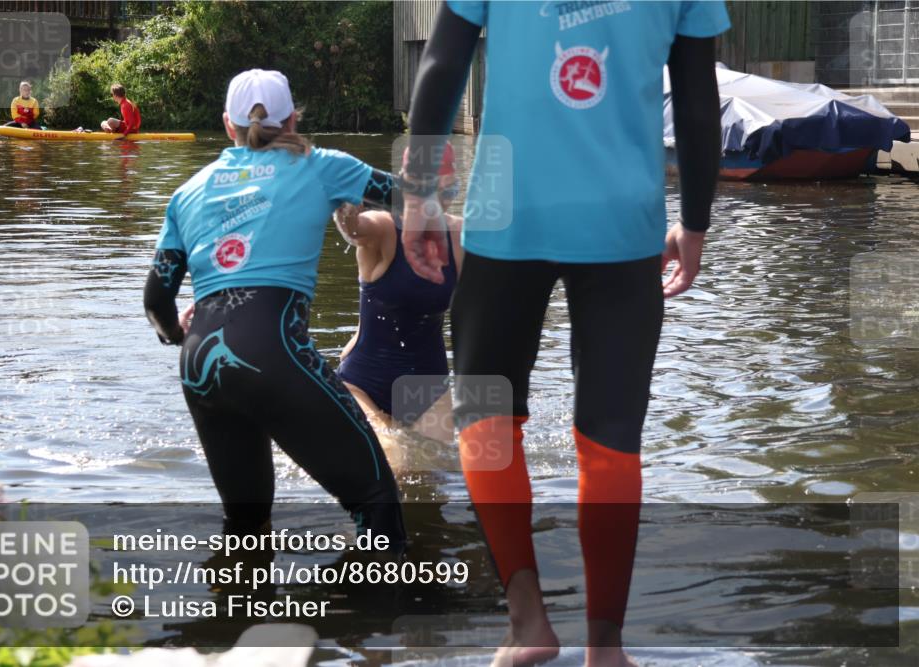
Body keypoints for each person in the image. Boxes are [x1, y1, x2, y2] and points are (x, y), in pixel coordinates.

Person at [401, 2, 729, 666]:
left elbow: (442, 65)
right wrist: (696, 221)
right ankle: (605, 647)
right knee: (611, 441)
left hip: (506, 216)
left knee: (485, 420)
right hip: (624, 225)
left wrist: (417, 194)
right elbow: (698, 103)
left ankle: (527, 623)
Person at [143, 69, 406, 552]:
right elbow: (410, 197)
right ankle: (377, 598)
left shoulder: (187, 192)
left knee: (246, 525)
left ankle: (238, 598)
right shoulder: (322, 166)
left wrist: (178, 334)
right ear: (292, 121)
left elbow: (156, 301)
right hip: (272, 350)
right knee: (376, 502)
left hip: (200, 364)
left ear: (227, 124)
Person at [333, 143, 463, 466]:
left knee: (434, 475)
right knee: (393, 460)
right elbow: (353, 230)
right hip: (364, 381)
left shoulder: (460, 236)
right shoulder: (384, 228)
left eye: (448, 191)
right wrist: (346, 207)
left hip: (429, 386)